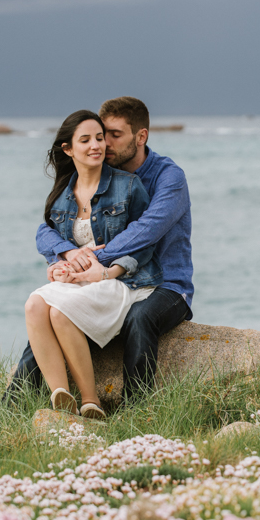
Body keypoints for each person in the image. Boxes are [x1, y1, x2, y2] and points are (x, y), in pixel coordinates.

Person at [5, 97, 193, 405]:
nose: (104, 144)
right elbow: (48, 225)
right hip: (115, 280)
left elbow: (146, 231)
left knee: (139, 318)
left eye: (114, 135)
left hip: (165, 283)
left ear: (140, 137)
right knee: (48, 306)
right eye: (101, 135)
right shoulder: (101, 172)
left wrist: (92, 261)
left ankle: (137, 410)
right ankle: (14, 403)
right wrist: (64, 253)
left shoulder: (168, 178)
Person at [25, 110, 162, 418]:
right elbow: (48, 234)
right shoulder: (62, 193)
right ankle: (60, 395)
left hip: (122, 281)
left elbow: (146, 242)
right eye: (85, 140)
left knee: (61, 312)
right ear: (68, 149)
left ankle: (91, 402)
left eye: (99, 138)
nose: (96, 145)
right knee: (34, 305)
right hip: (81, 284)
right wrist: (61, 260)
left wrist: (109, 270)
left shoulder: (128, 186)